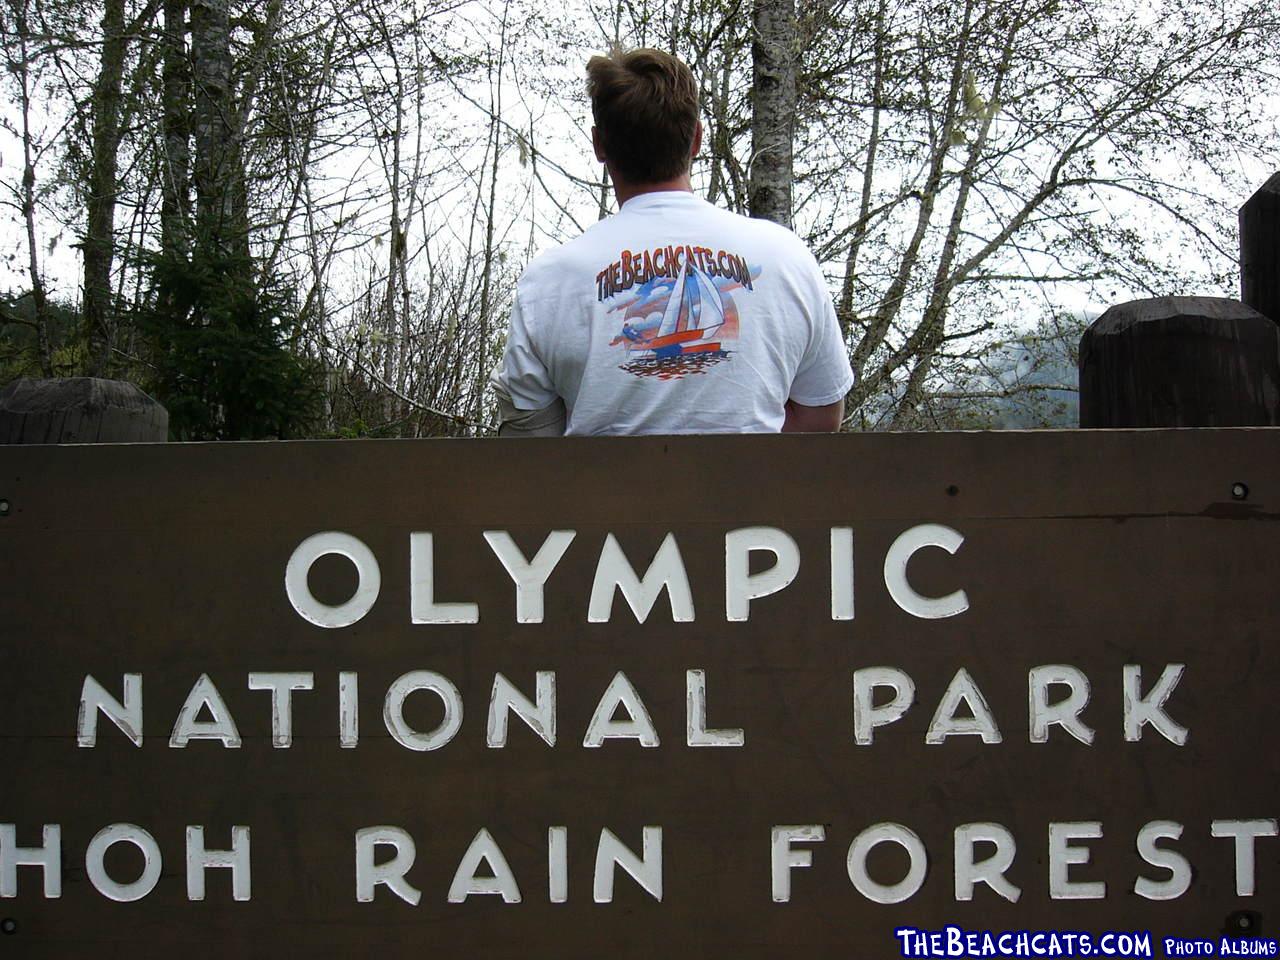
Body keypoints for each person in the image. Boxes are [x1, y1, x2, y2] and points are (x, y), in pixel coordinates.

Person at [491, 47, 854, 436]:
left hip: (604, 498)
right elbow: (818, 421)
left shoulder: (549, 282)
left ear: (599, 145)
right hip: (751, 496)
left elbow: (532, 444)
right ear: (696, 138)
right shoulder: (787, 258)